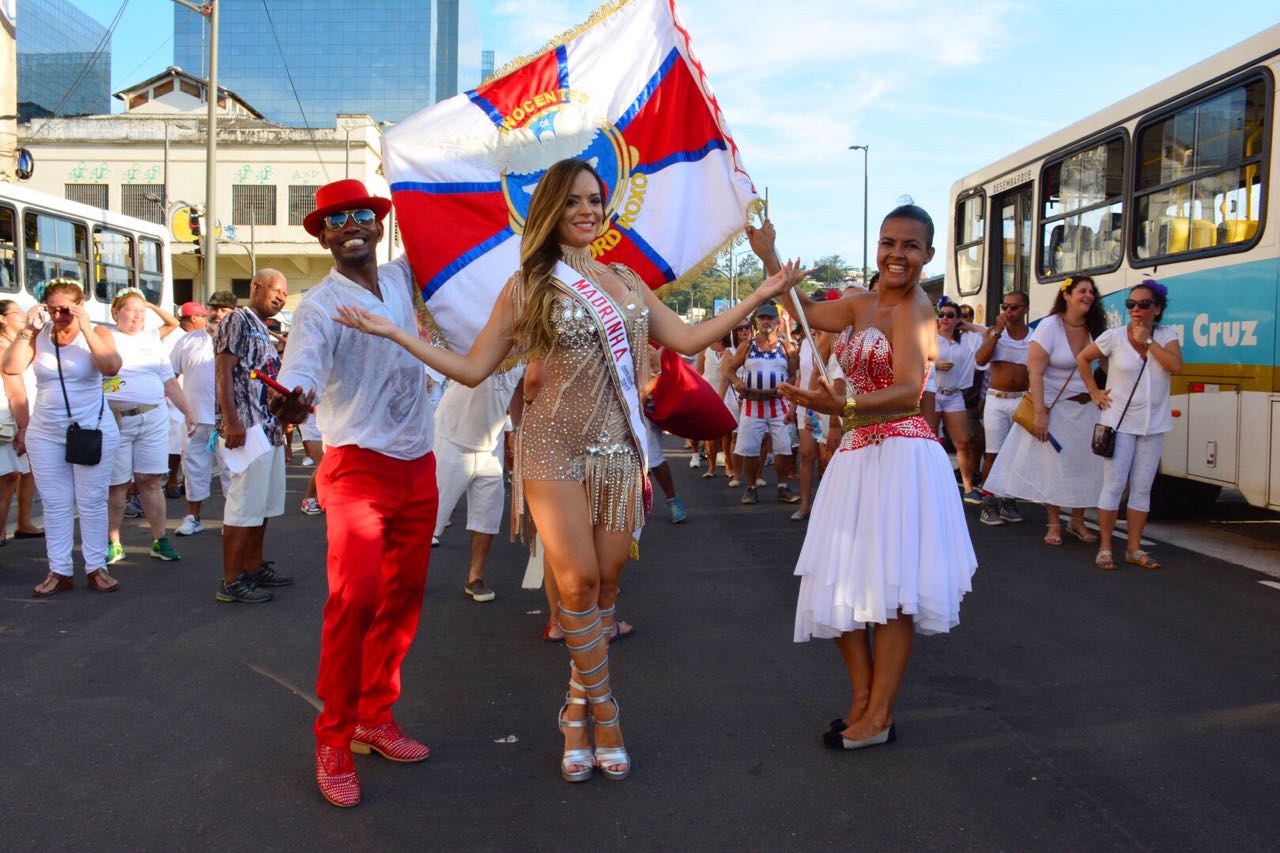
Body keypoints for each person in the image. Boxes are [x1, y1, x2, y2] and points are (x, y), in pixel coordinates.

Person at [331, 158, 801, 784]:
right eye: (575, 200)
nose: (588, 211)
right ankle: (605, 714)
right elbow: (472, 369)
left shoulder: (627, 281)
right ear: (551, 210)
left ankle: (574, 707)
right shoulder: (529, 286)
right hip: (551, 449)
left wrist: (762, 294)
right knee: (575, 582)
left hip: (618, 452)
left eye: (596, 200)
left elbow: (687, 340)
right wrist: (397, 333)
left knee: (606, 585)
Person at [771, 204, 976, 750]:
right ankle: (861, 701)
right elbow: (807, 310)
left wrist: (839, 407)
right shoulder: (859, 304)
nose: (897, 254)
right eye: (889, 243)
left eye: (910, 246)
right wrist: (768, 253)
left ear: (928, 255)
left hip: (902, 457)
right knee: (838, 582)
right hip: (858, 457)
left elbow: (910, 391)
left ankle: (880, 715)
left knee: (890, 592)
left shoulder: (919, 309)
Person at [270, 178, 441, 808]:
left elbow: (450, 234)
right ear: (322, 234)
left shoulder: (400, 280)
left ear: (376, 222)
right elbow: (303, 368)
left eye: (361, 215)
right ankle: (334, 738)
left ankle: (375, 716)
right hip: (356, 469)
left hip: (418, 465)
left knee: (403, 599)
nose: (352, 226)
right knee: (355, 599)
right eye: (337, 219)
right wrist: (295, 395)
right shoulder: (319, 307)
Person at [3, 279, 122, 595]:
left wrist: (85, 328)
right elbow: (11, 367)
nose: (59, 316)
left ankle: (97, 568)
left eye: (66, 309)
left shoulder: (98, 334)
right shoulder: (39, 336)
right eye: (53, 309)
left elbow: (111, 367)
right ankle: (59, 570)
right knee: (55, 504)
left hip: (92, 430)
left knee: (92, 500)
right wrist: (28, 327)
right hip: (46, 432)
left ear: (80, 306)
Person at [984, 275, 1107, 545]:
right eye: (1082, 291)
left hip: (1086, 407)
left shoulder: (1094, 327)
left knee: (1085, 465)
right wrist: (1040, 414)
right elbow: (1035, 372)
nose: (1088, 295)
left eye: (1091, 292)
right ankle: (1054, 524)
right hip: (1054, 408)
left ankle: (1077, 521)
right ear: (1067, 295)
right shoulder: (1050, 326)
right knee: (1053, 467)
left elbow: (1107, 364)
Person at [1076, 280, 1182, 570]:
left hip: (1153, 425)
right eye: (1131, 304)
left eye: (1143, 304)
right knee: (1114, 485)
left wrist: (1148, 341)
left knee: (1142, 488)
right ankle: (1106, 547)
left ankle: (1134, 548)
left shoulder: (1166, 335)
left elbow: (1176, 367)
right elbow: (1083, 358)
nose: (1136, 310)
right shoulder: (1114, 337)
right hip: (1119, 423)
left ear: (1157, 309)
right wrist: (1095, 393)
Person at [214, 269, 293, 603]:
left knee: (263, 506)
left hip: (269, 430)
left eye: (284, 294)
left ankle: (254, 566)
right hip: (245, 429)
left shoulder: (265, 330)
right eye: (275, 290)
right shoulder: (237, 320)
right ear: (255, 287)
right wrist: (232, 421)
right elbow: (223, 371)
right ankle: (232, 581)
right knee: (243, 507)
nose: (280, 297)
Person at [104, 289, 195, 565]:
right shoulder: (105, 338)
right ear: (116, 313)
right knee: (118, 485)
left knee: (151, 480)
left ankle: (159, 540)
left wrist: (188, 412)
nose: (137, 315)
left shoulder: (153, 341)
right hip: (116, 418)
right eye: (131, 310)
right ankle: (114, 542)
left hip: (153, 417)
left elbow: (169, 382)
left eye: (141, 311)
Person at [433, 366, 524, 600]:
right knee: (428, 517)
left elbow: (518, 389)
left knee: (488, 514)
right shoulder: (479, 335)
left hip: (490, 443)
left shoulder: (527, 348)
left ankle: (475, 577)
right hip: (451, 437)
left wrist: (516, 428)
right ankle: (403, 577)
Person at [170, 291, 234, 535]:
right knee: (193, 470)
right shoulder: (187, 341)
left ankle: (231, 521)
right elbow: (170, 376)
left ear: (233, 313)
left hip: (228, 421)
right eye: (214, 308)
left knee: (231, 471)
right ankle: (193, 517)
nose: (217, 314)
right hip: (195, 418)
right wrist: (180, 408)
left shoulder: (239, 340)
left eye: (224, 309)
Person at [728, 301, 800, 506]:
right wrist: (739, 383)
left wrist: (787, 387)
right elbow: (730, 370)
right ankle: (751, 488)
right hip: (752, 405)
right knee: (749, 449)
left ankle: (782, 487)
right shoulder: (747, 346)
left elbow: (794, 374)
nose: (766, 322)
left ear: (778, 322)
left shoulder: (787, 347)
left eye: (770, 318)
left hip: (779, 406)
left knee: (785, 448)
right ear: (757, 322)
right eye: (762, 318)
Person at [973, 290, 1030, 525]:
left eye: (1014, 307)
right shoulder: (994, 333)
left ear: (1025, 309)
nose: (1008, 311)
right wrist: (997, 332)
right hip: (997, 399)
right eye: (1005, 306)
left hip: (1021, 398)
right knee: (993, 453)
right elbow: (980, 360)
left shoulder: (1033, 336)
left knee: (1016, 453)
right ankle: (988, 501)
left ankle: (1008, 499)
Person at [933, 298, 985, 500]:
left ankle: (968, 487)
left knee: (962, 442)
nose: (945, 318)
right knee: (932, 441)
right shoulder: (930, 338)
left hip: (954, 394)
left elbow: (987, 333)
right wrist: (934, 365)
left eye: (950, 315)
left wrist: (968, 325)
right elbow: (915, 363)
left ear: (958, 320)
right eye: (942, 315)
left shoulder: (967, 340)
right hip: (933, 393)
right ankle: (933, 484)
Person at [0, 298, 43, 542]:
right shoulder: (3, 347)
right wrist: (23, 427)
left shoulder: (21, 343)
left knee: (20, 474)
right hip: (8, 420)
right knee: (7, 479)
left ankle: (22, 523)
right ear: (2, 319)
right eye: (17, 313)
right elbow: (15, 390)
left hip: (21, 416)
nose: (22, 315)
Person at [694, 334, 733, 479]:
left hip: (727, 394)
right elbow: (698, 373)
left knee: (727, 433)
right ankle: (711, 468)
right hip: (709, 395)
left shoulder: (731, 348)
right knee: (709, 434)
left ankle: (729, 467)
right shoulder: (704, 350)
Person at [721, 322, 752, 486]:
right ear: (734, 332)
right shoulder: (730, 351)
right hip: (734, 396)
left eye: (747, 327)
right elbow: (725, 376)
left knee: (759, 438)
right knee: (735, 435)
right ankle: (734, 471)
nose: (745, 330)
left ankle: (755, 476)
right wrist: (719, 401)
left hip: (753, 397)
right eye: (740, 328)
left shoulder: (756, 347)